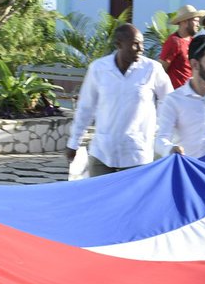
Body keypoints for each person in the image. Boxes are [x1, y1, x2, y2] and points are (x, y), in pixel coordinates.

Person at [66, 23, 171, 177]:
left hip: (136, 155)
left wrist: (161, 133)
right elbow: (86, 108)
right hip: (102, 153)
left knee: (132, 201)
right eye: (135, 44)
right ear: (119, 44)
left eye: (142, 43)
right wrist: (74, 142)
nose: (141, 49)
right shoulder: (99, 69)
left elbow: (169, 100)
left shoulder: (152, 69)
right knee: (99, 199)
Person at [159, 4, 203, 88]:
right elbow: (161, 70)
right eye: (196, 21)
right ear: (185, 22)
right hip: (177, 95)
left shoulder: (192, 41)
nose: (198, 24)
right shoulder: (174, 42)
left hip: (190, 92)